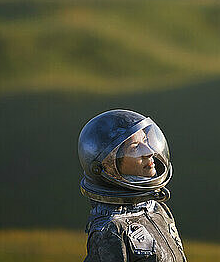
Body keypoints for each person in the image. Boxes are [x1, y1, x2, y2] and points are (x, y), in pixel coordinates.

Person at [78, 109, 187, 261]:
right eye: (135, 147)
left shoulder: (157, 208)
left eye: (146, 140)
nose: (149, 152)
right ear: (108, 166)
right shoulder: (110, 229)